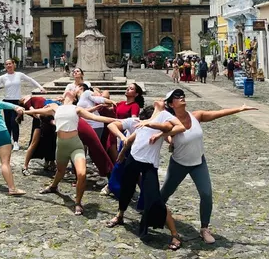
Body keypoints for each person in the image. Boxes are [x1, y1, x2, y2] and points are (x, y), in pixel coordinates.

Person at [160, 88, 257, 244]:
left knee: (206, 194)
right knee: (165, 193)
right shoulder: (169, 122)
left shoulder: (197, 116)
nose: (181, 97)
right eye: (176, 97)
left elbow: (218, 113)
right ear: (171, 103)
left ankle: (204, 229)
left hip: (199, 163)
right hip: (179, 164)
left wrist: (240, 109)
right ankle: (153, 213)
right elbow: (164, 135)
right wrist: (170, 141)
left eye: (182, 95)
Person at [24, 88, 120, 216]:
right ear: (63, 96)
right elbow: (37, 111)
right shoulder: (54, 107)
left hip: (75, 145)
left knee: (82, 173)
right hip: (61, 146)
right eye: (68, 89)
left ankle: (78, 202)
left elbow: (97, 118)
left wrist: (119, 121)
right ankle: (53, 187)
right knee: (60, 171)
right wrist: (22, 110)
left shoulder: (77, 109)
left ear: (75, 98)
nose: (70, 90)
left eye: (73, 91)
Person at [106, 98, 186, 250]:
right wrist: (123, 152)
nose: (160, 99)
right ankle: (120, 215)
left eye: (163, 100)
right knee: (126, 190)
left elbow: (180, 127)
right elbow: (132, 138)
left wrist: (159, 133)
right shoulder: (144, 120)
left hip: (149, 164)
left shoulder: (164, 116)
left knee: (154, 197)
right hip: (133, 159)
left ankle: (175, 234)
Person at [0, 59, 46, 151]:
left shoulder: (19, 75)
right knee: (7, 123)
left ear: (14, 65)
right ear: (5, 66)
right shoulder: (3, 77)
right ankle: (8, 141)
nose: (8, 66)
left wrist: (40, 87)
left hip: (17, 102)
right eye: (6, 64)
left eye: (10, 64)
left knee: (15, 122)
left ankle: (16, 142)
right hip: (6, 102)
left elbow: (30, 80)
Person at [18, 95, 58, 175]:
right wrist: (44, 115)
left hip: (47, 118)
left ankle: (50, 162)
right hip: (42, 120)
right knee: (34, 143)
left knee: (51, 140)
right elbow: (35, 113)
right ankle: (25, 166)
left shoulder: (32, 99)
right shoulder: (27, 102)